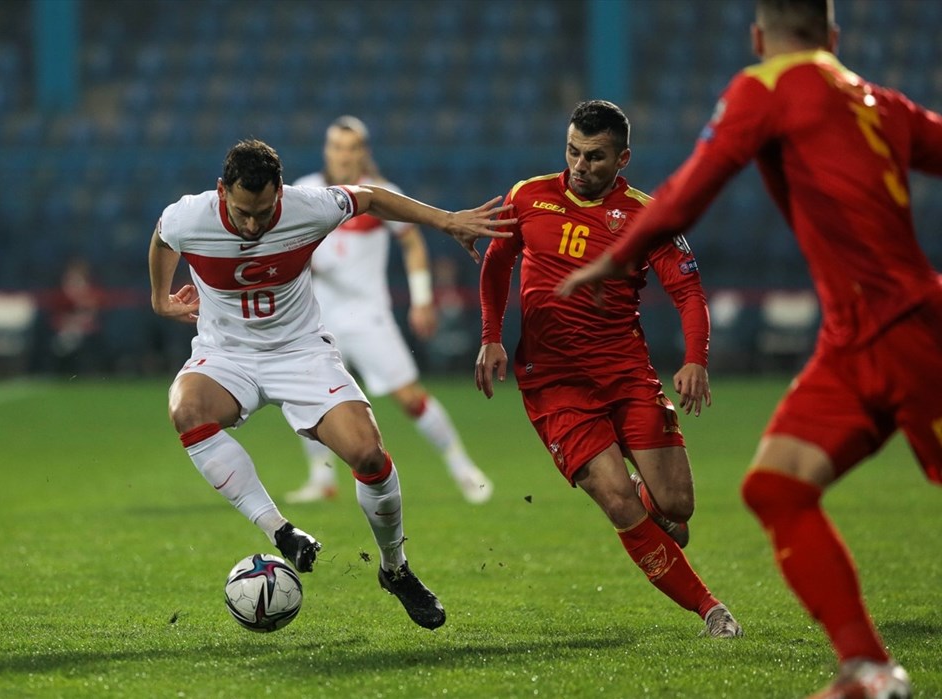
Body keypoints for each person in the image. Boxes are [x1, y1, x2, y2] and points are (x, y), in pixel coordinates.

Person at [557, 2, 941, 697]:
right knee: (776, 487)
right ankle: (868, 667)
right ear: (835, 36)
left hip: (911, 327)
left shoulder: (765, 88)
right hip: (855, 338)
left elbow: (689, 190)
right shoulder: (879, 101)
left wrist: (623, 254)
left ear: (759, 37)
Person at [148, 139, 514, 630]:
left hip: (302, 352)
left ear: (280, 192)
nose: (253, 225)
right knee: (186, 409)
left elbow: (373, 197)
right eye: (241, 212)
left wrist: (446, 220)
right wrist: (160, 300)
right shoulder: (190, 216)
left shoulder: (308, 206)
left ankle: (396, 570)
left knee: (369, 456)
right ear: (222, 192)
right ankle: (280, 531)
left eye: (263, 212)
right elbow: (161, 237)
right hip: (226, 354)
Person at [475, 100, 743, 639]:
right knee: (617, 501)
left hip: (625, 374)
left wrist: (695, 359)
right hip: (553, 384)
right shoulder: (528, 197)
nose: (579, 165)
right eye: (572, 151)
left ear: (622, 159)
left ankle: (652, 499)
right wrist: (490, 338)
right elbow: (497, 263)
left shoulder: (648, 215)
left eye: (595, 157)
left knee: (678, 507)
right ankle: (711, 610)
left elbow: (688, 292)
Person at [285, 116, 493, 505]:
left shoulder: (379, 193)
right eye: (336, 147)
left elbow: (412, 243)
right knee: (304, 398)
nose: (344, 156)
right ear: (326, 150)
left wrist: (422, 298)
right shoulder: (306, 190)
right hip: (317, 317)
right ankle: (321, 479)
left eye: (352, 148)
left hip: (368, 316)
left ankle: (463, 468)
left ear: (363, 152)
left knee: (410, 398)